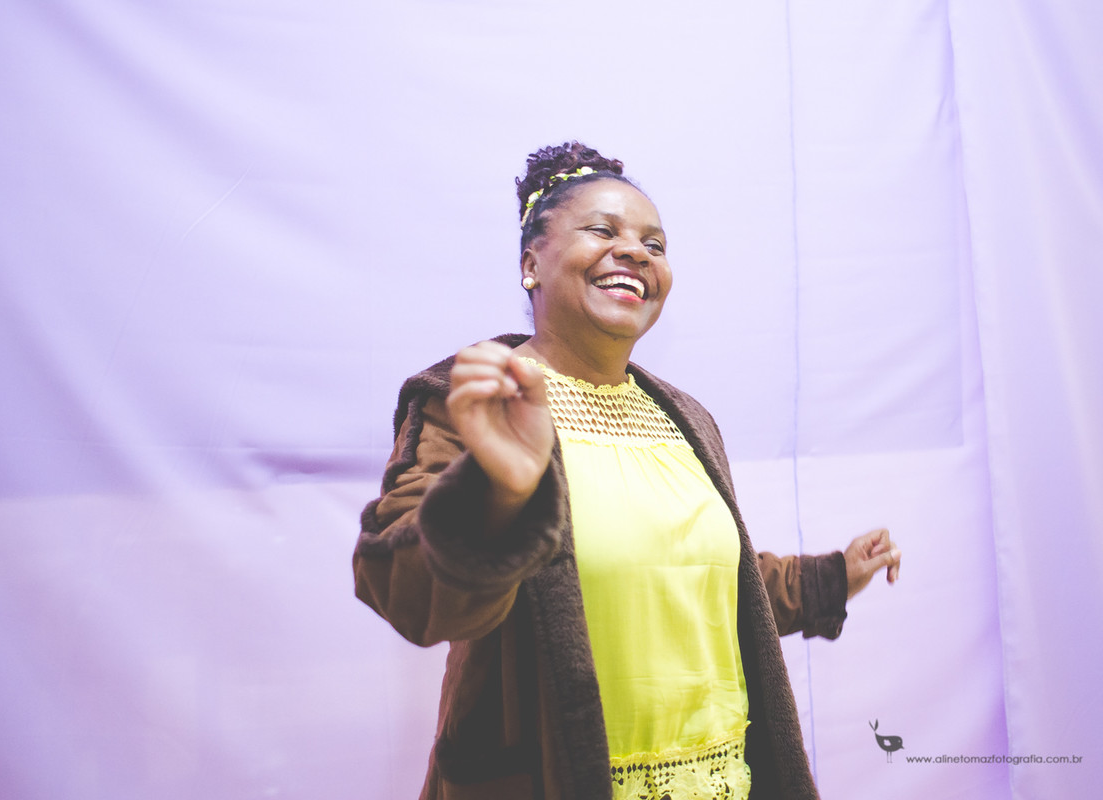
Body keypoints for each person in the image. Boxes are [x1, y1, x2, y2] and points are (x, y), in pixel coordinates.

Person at [353, 142, 901, 800]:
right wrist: (495, 491)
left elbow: (705, 577)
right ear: (532, 263)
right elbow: (403, 587)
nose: (636, 252)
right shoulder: (472, 401)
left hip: (720, 780)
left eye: (655, 243)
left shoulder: (684, 417)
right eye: (602, 231)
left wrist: (832, 575)